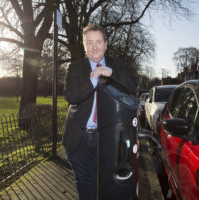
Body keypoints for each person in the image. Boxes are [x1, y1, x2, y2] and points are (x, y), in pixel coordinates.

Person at [62, 24, 137, 200]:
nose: (94, 47)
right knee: (85, 184)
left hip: (107, 139)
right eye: (89, 43)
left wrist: (111, 74)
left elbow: (132, 85)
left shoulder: (116, 64)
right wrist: (93, 80)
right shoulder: (75, 67)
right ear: (84, 45)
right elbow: (71, 96)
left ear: (106, 44)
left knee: (106, 185)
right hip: (78, 139)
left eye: (98, 42)